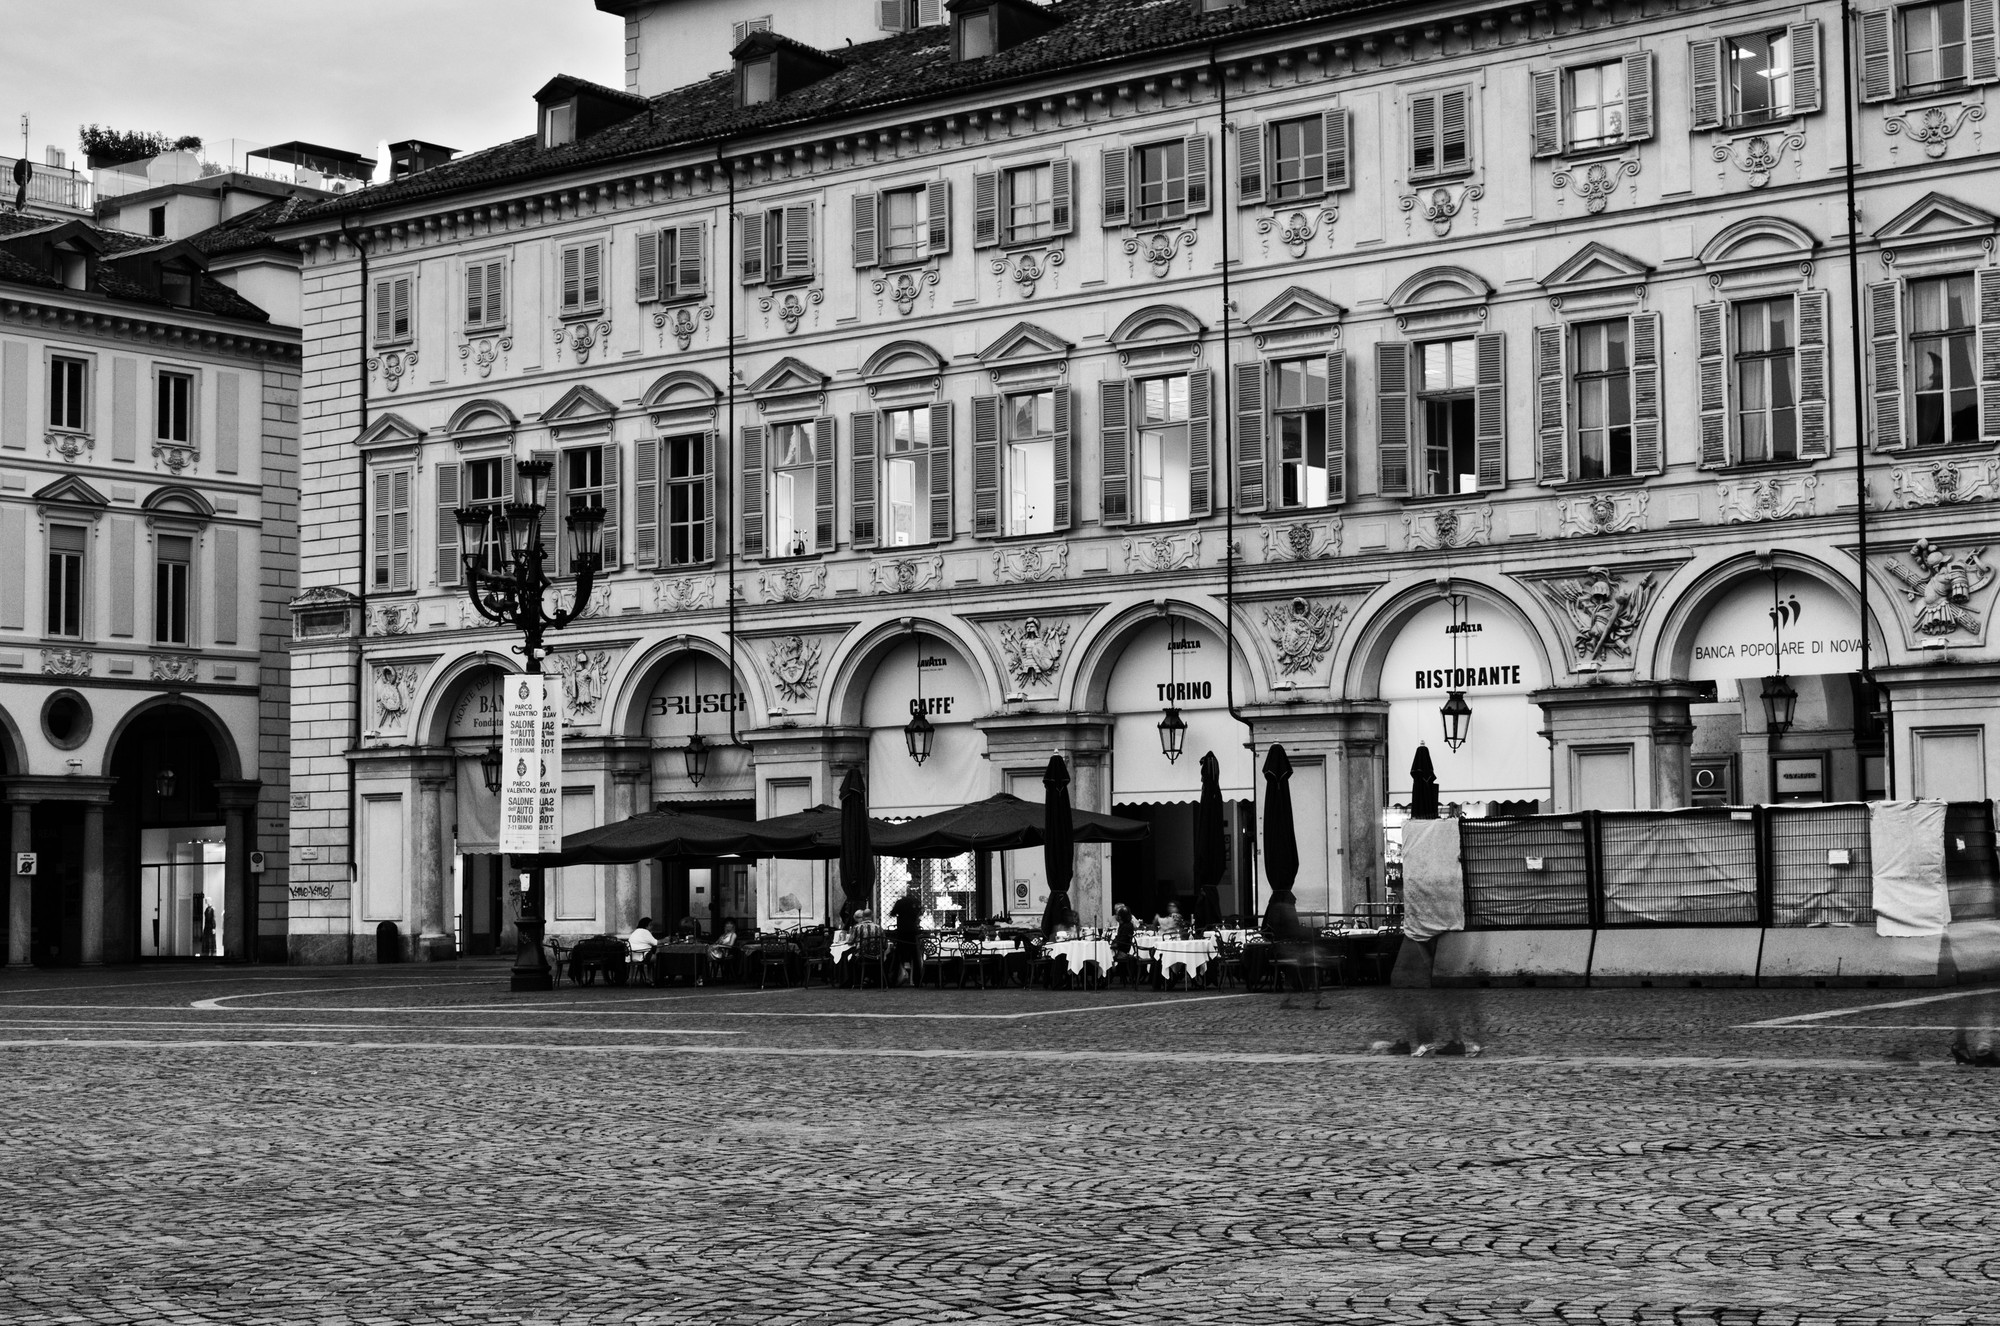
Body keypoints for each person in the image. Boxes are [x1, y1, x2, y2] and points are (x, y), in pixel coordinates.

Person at [889, 889, 923, 987]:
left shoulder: (900, 902)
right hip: (913, 930)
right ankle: (918, 980)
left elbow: (892, 913)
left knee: (898, 956)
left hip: (902, 930)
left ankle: (894, 979)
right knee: (915, 956)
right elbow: (920, 913)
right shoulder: (916, 902)